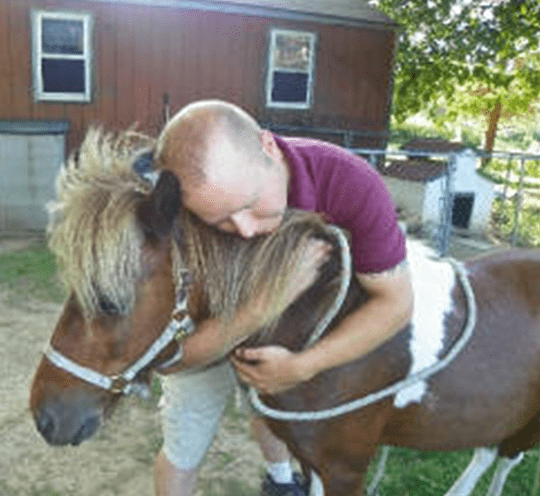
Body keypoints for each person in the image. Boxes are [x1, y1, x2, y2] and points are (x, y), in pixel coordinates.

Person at [151, 100, 414, 496]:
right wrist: (263, 304)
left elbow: (396, 303)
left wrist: (303, 366)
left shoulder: (350, 183)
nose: (243, 230)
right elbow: (172, 358)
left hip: (288, 344)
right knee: (184, 446)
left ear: (269, 148)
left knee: (271, 407)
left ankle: (280, 480)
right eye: (219, 220)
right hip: (210, 332)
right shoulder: (183, 212)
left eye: (249, 204)